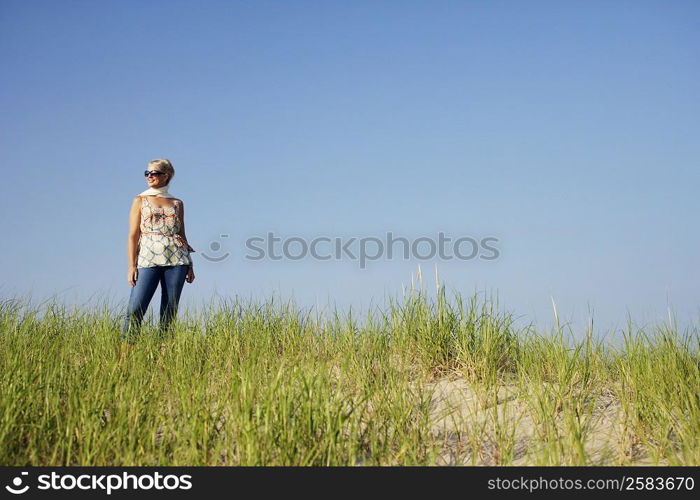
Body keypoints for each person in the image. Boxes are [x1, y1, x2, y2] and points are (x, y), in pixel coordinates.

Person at [122, 159, 195, 342]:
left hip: (177, 259)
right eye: (146, 173)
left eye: (153, 173)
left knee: (169, 310)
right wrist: (131, 266)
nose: (149, 177)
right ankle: (125, 356)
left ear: (165, 176)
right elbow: (133, 235)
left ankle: (163, 355)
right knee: (136, 307)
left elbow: (182, 233)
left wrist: (190, 264)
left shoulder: (177, 203)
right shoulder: (140, 200)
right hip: (148, 257)